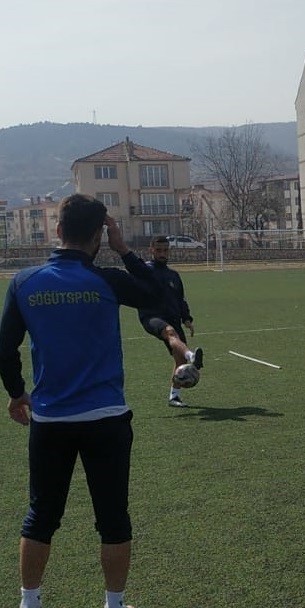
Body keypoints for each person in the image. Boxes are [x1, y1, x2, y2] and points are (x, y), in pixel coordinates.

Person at [0, 194, 160, 608]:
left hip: (50, 421)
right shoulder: (107, 280)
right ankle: (114, 603)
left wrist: (16, 393)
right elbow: (157, 293)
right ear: (99, 236)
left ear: (57, 230)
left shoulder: (25, 282)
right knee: (113, 518)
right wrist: (124, 250)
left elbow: (4, 347)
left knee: (41, 516)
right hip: (106, 419)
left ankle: (29, 602)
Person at [137, 236, 203, 407]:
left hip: (173, 318)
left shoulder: (173, 275)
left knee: (180, 360)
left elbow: (180, 300)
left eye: (165, 250)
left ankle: (174, 397)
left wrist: (186, 318)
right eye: (158, 250)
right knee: (170, 332)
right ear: (151, 250)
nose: (162, 253)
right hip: (152, 317)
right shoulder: (145, 270)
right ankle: (192, 356)